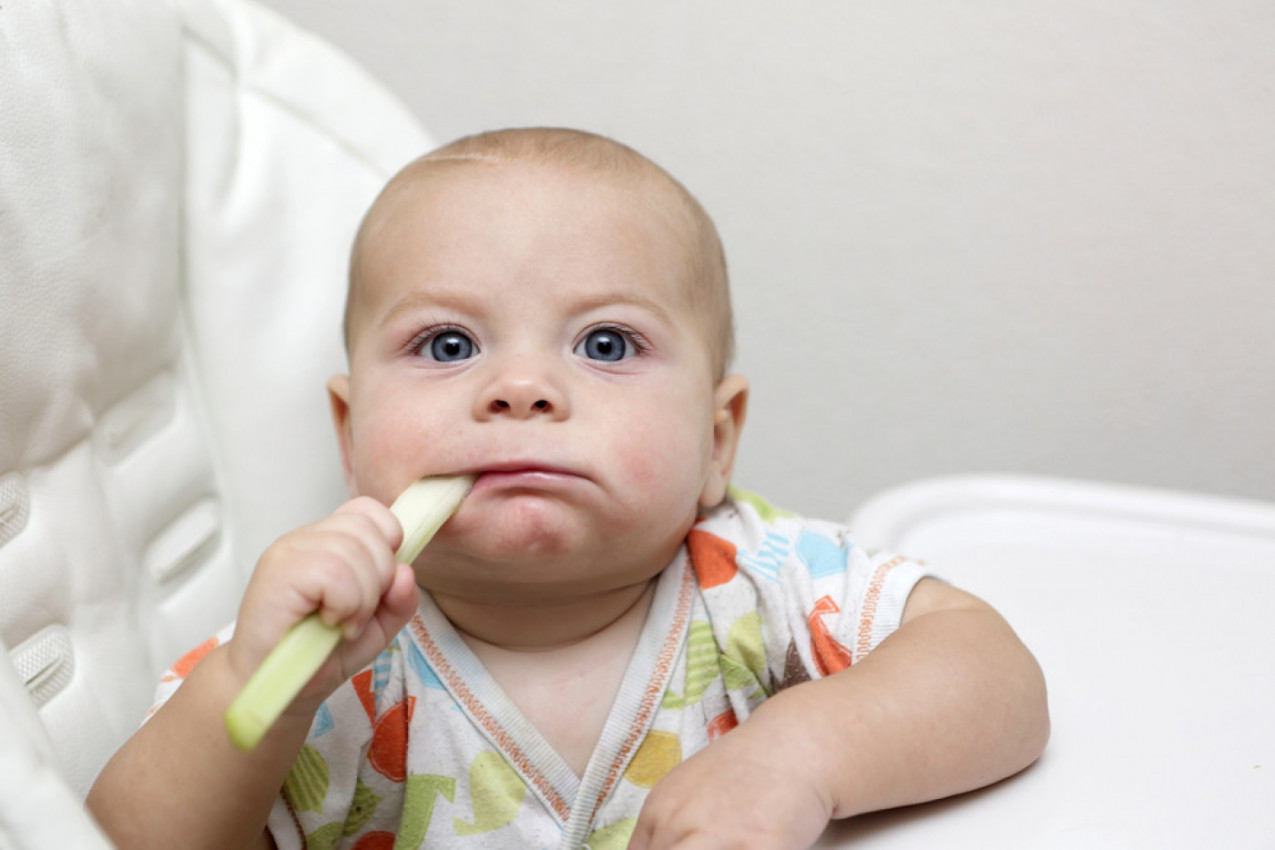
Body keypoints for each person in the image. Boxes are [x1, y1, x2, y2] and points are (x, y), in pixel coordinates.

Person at [87, 127, 1049, 849]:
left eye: (605, 344)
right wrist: (256, 691)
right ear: (349, 435)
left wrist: (797, 756)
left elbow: (993, 677)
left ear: (716, 440)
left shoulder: (753, 578)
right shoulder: (328, 644)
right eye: (448, 345)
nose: (519, 387)